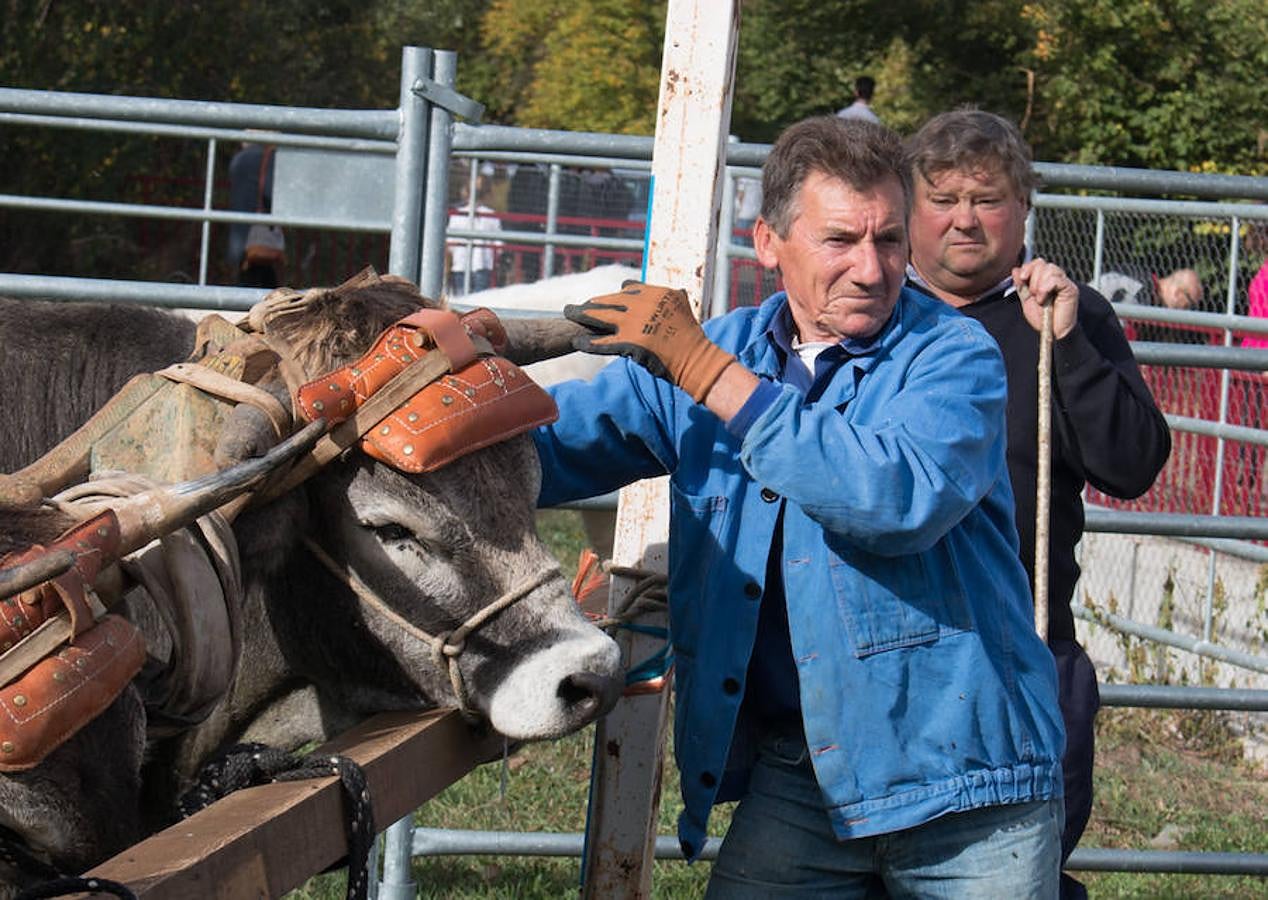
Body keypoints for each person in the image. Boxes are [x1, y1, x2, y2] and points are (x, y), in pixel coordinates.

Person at [536, 115, 1065, 896]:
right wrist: (443, 409)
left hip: (968, 779)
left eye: (889, 240)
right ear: (769, 242)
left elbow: (896, 498)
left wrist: (709, 375)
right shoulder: (724, 351)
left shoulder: (951, 355)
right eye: (840, 240)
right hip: (809, 773)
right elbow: (553, 446)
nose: (870, 268)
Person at [903, 108, 1172, 900]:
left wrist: (1069, 344)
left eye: (987, 198)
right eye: (943, 198)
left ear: (1023, 208)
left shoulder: (1065, 315)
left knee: (1019, 872)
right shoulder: (875, 313)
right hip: (888, 651)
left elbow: (1132, 464)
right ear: (909, 208)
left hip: (1026, 646)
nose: (964, 219)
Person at [227, 141, 284, 288]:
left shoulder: (239, 158)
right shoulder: (268, 157)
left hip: (241, 229)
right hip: (260, 230)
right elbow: (269, 192)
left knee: (249, 273)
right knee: (261, 276)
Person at [447, 164, 503, 296]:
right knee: (480, 299)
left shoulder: (457, 214)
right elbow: (499, 244)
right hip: (481, 264)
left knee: (461, 298)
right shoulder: (491, 215)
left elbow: (451, 243)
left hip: (462, 264)